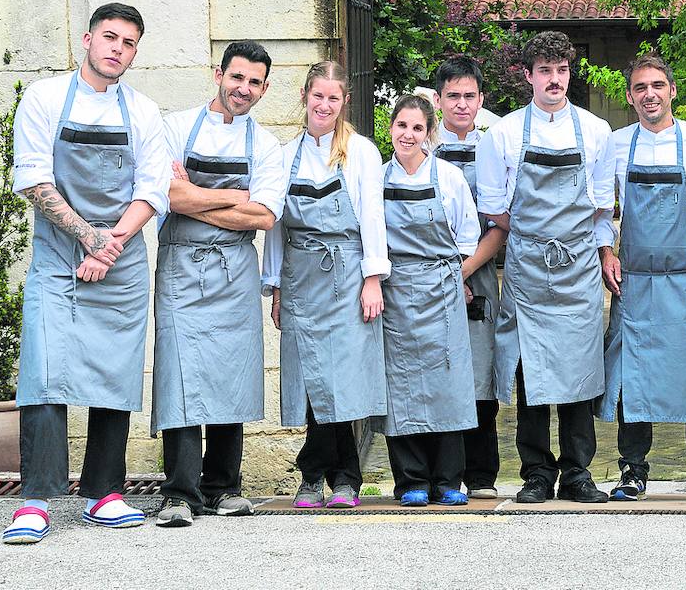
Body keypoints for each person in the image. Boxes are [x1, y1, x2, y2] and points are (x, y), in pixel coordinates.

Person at [4, 4, 170, 545]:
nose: (117, 48)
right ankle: (35, 500)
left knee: (115, 374)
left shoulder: (144, 111)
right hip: (58, 257)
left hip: (119, 261)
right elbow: (32, 178)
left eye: (128, 42)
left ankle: (104, 492)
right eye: (109, 37)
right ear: (87, 39)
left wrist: (110, 243)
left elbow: (152, 189)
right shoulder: (44, 98)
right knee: (43, 374)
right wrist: (87, 237)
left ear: (135, 51)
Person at [476, 30, 614, 504]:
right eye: (545, 72)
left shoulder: (597, 132)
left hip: (577, 267)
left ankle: (578, 472)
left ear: (569, 74)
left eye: (562, 71)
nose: (555, 80)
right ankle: (536, 471)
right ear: (528, 76)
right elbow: (493, 206)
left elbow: (601, 209)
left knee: (580, 369)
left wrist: (600, 251)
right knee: (527, 371)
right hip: (529, 265)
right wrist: (537, 237)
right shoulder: (504, 133)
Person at [152, 41, 286, 528]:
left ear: (264, 88)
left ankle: (224, 486)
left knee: (232, 371)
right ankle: (180, 493)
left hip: (234, 271)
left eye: (254, 82)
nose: (243, 89)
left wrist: (194, 195)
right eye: (237, 78)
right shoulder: (174, 127)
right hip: (181, 268)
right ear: (218, 74)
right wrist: (233, 197)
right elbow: (166, 195)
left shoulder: (267, 145)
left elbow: (267, 215)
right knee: (180, 375)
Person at [597, 55, 686, 502]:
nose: (650, 94)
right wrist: (606, 251)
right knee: (630, 377)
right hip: (636, 281)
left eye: (657, 85)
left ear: (673, 90)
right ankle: (632, 469)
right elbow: (602, 207)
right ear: (629, 96)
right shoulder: (614, 144)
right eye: (640, 87)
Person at [263, 62, 389, 510]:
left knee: (347, 377)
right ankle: (319, 476)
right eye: (318, 96)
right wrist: (275, 287)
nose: (324, 105)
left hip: (349, 274)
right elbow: (275, 225)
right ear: (305, 95)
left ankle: (338, 476)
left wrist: (372, 278)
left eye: (333, 98)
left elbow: (372, 216)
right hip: (301, 276)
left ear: (344, 102)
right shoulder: (283, 155)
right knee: (311, 376)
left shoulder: (361, 152)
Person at [378, 94, 480, 507]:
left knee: (448, 385)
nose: (408, 134)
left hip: (441, 289)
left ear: (429, 133)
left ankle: (448, 480)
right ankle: (410, 481)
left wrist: (452, 276)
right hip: (394, 289)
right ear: (390, 130)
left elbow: (468, 237)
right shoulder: (376, 178)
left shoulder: (450, 178)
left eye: (417, 128)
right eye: (401, 125)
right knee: (400, 386)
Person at [431, 56, 508, 499]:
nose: (462, 104)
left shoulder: (494, 147)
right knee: (437, 372)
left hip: (477, 272)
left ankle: (481, 475)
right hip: (423, 278)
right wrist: (440, 276)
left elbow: (500, 222)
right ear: (438, 100)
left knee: (481, 375)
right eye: (453, 96)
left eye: (470, 96)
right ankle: (441, 473)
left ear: (481, 99)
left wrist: (463, 271)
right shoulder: (419, 144)